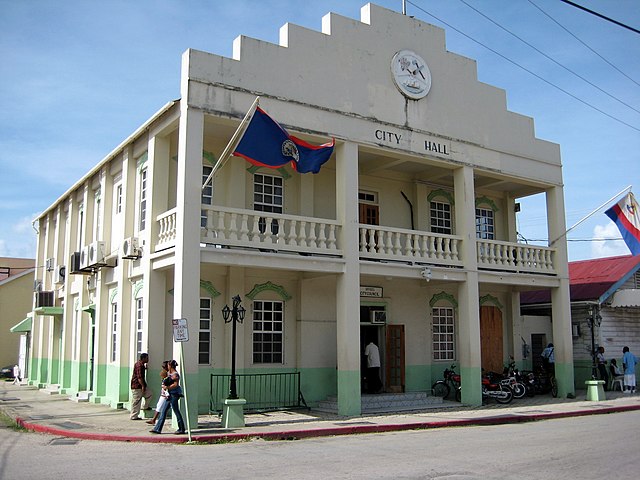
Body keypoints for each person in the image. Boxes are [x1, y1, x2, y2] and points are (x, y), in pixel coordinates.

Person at [150, 359, 186, 434]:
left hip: (174, 395)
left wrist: (167, 387)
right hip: (169, 395)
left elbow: (176, 385)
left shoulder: (175, 374)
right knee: (163, 411)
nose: (167, 366)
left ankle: (181, 429)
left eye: (168, 365)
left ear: (170, 366)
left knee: (176, 411)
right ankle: (157, 428)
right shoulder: (169, 373)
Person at [146, 361, 170, 425]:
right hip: (164, 393)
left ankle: (155, 420)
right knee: (159, 406)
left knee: (161, 407)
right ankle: (154, 420)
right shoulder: (165, 373)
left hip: (166, 394)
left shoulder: (169, 374)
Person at [130, 352, 152, 420]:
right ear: (144, 358)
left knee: (149, 394)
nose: (148, 359)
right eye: (147, 358)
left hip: (139, 385)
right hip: (137, 386)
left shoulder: (140, 364)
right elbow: (139, 377)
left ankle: (144, 406)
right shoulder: (139, 365)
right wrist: (143, 386)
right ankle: (134, 415)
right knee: (136, 400)